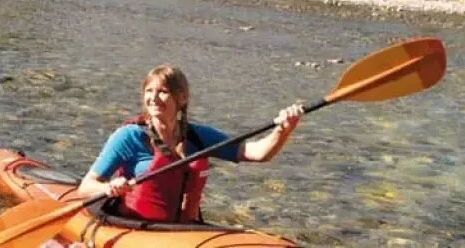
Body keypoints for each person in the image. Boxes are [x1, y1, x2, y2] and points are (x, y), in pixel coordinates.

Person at [72, 65, 304, 223]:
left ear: (181, 98)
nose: (153, 98)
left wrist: (283, 129)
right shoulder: (130, 136)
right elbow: (86, 186)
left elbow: (256, 153)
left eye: (163, 92)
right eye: (148, 91)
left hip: (181, 230)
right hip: (134, 227)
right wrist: (108, 188)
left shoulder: (197, 136)